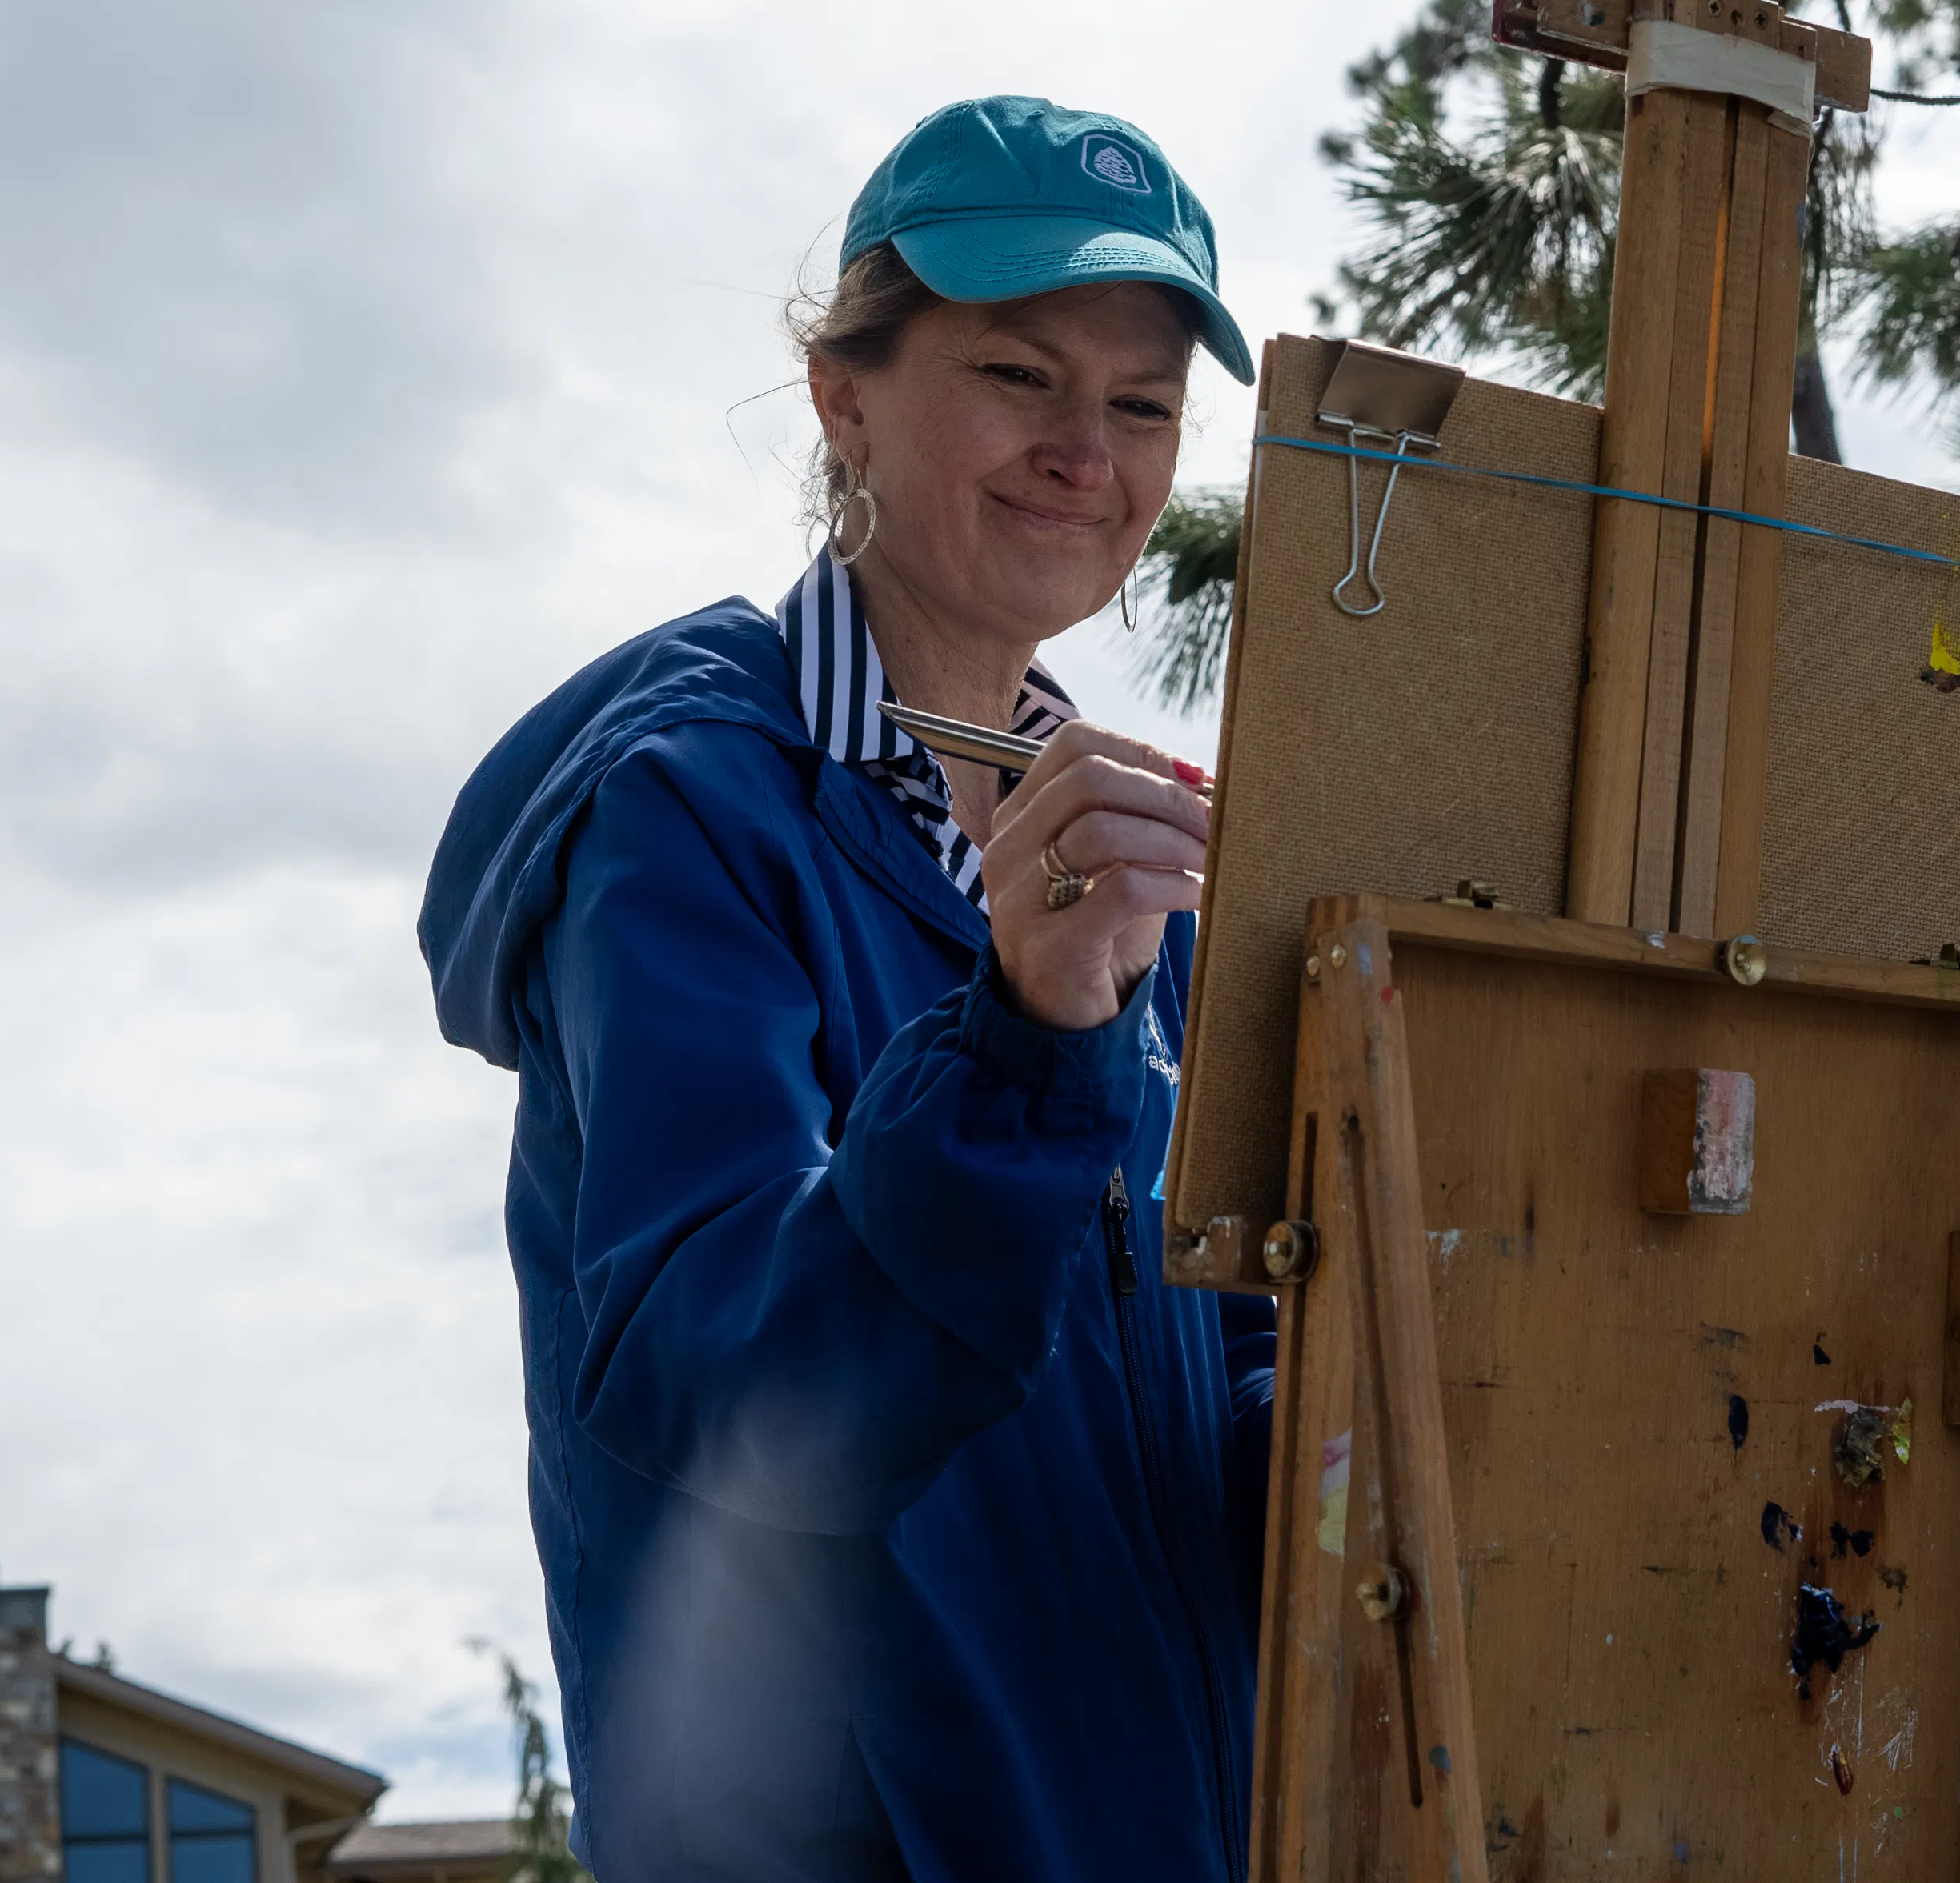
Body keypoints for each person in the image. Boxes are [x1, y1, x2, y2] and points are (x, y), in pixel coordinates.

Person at [419, 97, 1273, 1882]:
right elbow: (736, 1391)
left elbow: (1221, 1386)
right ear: (843, 395)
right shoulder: (687, 807)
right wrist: (1027, 1043)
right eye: (1019, 374)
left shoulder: (1152, 882)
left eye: (1142, 406)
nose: (1085, 453)